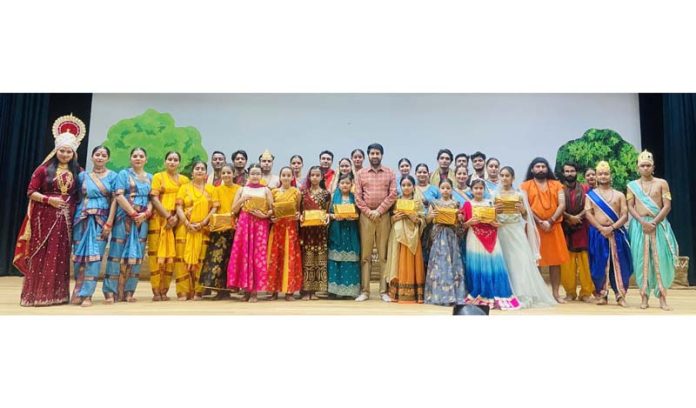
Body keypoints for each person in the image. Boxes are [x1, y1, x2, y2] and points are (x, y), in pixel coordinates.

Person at [14, 115, 84, 307]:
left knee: (60, 254)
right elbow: (30, 192)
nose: (65, 154)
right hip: (44, 216)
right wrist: (49, 200)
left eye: (69, 152)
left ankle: (57, 295)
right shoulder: (43, 170)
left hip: (67, 219)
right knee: (42, 252)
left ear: (73, 153)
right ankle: (36, 295)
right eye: (62, 151)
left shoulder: (78, 171)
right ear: (56, 150)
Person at [495, 167, 556, 308]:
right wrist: (494, 211)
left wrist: (522, 210)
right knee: (504, 261)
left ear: (513, 178)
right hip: (501, 231)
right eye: (502, 175)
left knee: (520, 261)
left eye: (507, 175)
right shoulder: (494, 194)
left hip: (516, 231)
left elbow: (526, 217)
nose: (504, 178)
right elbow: (491, 216)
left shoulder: (520, 194)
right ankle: (506, 291)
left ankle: (522, 292)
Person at [626, 150, 679, 310]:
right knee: (641, 261)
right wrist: (643, 222)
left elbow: (667, 206)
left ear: (653, 167)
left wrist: (654, 222)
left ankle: (662, 297)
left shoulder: (662, 183)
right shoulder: (631, 186)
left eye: (648, 165)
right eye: (642, 165)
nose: (645, 168)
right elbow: (630, 206)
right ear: (638, 168)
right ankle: (644, 297)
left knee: (660, 261)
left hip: (659, 225)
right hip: (639, 226)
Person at [462, 179, 520, 310]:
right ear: (471, 190)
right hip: (474, 237)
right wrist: (469, 222)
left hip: (492, 237)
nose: (478, 190)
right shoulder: (467, 205)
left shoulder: (490, 203)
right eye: (475, 188)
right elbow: (462, 226)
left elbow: (497, 221)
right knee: (477, 264)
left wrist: (495, 224)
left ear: (484, 190)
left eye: (480, 188)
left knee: (493, 265)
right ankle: (478, 291)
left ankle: (495, 292)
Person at [104, 147, 153, 303]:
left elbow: (152, 199)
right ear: (130, 158)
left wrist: (145, 215)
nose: (138, 158)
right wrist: (133, 213)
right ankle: (111, 292)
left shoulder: (151, 177)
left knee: (136, 256)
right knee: (116, 255)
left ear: (146, 159)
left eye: (141, 156)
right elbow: (118, 196)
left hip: (142, 221)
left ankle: (129, 292)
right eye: (135, 156)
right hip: (124, 218)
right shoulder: (123, 174)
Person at [71, 145, 118, 307]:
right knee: (78, 258)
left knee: (94, 258)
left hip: (101, 220)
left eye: (103, 155)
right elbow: (75, 197)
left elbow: (114, 201)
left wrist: (109, 223)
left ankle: (87, 295)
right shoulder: (82, 176)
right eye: (97, 154)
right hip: (81, 219)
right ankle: (78, 290)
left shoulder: (113, 176)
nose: (100, 157)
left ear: (108, 159)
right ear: (92, 157)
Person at [520, 157, 569, 303]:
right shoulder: (525, 186)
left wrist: (550, 221)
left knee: (555, 262)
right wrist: (539, 222)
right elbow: (526, 207)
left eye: (543, 166)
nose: (540, 169)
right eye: (537, 166)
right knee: (536, 261)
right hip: (534, 228)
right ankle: (540, 294)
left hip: (553, 228)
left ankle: (555, 294)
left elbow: (562, 205)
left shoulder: (556, 184)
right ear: (532, 169)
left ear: (547, 169)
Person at [584, 161, 633, 307]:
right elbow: (588, 213)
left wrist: (611, 228)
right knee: (598, 265)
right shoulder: (591, 196)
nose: (603, 176)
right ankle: (602, 294)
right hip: (598, 234)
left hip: (616, 233)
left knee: (620, 265)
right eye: (600, 174)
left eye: (606, 173)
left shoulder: (619, 195)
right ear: (597, 177)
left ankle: (620, 296)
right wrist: (601, 228)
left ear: (611, 176)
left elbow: (625, 215)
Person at [354, 143, 397, 302]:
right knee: (365, 256)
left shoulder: (390, 172)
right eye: (372, 153)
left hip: (383, 216)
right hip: (366, 217)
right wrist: (369, 212)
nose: (375, 156)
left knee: (383, 255)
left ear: (381, 155)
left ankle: (383, 291)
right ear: (368, 155)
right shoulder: (361, 174)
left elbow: (393, 194)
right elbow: (358, 197)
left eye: (377, 153)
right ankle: (365, 291)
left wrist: (379, 211)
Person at [227, 164, 274, 302]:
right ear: (248, 175)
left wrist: (264, 215)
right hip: (244, 224)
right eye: (252, 173)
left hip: (260, 225)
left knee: (257, 256)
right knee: (244, 254)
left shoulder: (266, 190)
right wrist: (242, 199)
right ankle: (245, 289)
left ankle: (255, 291)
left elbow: (273, 210)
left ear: (261, 175)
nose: (255, 176)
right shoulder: (242, 189)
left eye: (258, 173)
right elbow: (234, 210)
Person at [148, 151, 189, 301]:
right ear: (165, 162)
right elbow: (154, 198)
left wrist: (176, 218)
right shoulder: (158, 177)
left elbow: (184, 201)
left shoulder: (184, 180)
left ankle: (165, 290)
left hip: (177, 221)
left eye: (175, 159)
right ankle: (156, 291)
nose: (172, 162)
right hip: (159, 219)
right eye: (169, 159)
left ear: (179, 163)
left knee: (172, 256)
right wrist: (167, 216)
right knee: (156, 255)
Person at [176, 161, 216, 300]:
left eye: (202, 169)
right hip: (185, 229)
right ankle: (183, 291)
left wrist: (204, 222)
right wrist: (186, 222)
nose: (199, 171)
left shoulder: (211, 189)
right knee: (182, 261)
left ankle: (198, 291)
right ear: (192, 172)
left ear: (206, 173)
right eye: (197, 169)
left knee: (201, 259)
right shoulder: (184, 188)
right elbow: (179, 207)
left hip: (203, 229)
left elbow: (214, 208)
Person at [200, 163, 240, 299]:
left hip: (234, 228)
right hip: (219, 228)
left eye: (229, 173)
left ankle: (229, 289)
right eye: (224, 173)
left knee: (231, 259)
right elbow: (215, 208)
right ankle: (218, 290)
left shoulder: (240, 189)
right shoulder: (216, 190)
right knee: (217, 259)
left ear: (234, 174)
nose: (226, 175)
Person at [424, 179, 466, 306]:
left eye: (448, 188)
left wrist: (460, 218)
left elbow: (460, 223)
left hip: (451, 237)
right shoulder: (434, 203)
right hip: (438, 237)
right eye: (443, 188)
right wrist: (431, 215)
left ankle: (453, 295)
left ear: (451, 189)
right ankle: (437, 295)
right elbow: (427, 220)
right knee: (439, 264)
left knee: (452, 264)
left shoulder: (456, 204)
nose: (445, 190)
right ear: (439, 189)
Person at [385, 175, 426, 303]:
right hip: (397, 235)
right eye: (403, 185)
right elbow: (390, 219)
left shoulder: (418, 202)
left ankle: (414, 294)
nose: (406, 187)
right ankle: (396, 294)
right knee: (398, 260)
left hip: (413, 235)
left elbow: (423, 220)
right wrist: (394, 218)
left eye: (409, 185)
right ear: (400, 187)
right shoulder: (395, 201)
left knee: (411, 262)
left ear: (414, 187)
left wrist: (416, 219)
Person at [267, 167, 303, 301]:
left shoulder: (296, 192)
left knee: (290, 258)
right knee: (275, 258)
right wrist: (271, 219)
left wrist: (298, 216)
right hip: (277, 229)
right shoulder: (274, 192)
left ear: (292, 177)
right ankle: (273, 291)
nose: (286, 177)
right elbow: (270, 210)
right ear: (280, 177)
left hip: (290, 229)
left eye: (289, 175)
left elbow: (298, 210)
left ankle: (289, 292)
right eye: (284, 175)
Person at [559, 162, 594, 302]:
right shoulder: (559, 189)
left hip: (583, 228)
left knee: (585, 262)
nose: (569, 173)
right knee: (567, 264)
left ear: (576, 172)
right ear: (563, 173)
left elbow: (590, 205)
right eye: (566, 171)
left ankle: (586, 292)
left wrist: (578, 217)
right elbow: (557, 206)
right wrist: (569, 217)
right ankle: (570, 292)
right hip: (566, 229)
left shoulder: (585, 189)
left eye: (572, 171)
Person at [299, 166, 331, 300]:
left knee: (319, 259)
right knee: (307, 258)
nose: (315, 178)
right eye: (312, 175)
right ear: (309, 176)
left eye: (317, 175)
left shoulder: (326, 194)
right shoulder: (303, 193)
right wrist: (300, 216)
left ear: (322, 177)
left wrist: (328, 216)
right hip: (307, 231)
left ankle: (316, 290)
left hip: (320, 231)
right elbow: (299, 210)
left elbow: (327, 211)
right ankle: (306, 290)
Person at [327, 173, 361, 299]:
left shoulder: (355, 197)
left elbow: (359, 214)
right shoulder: (333, 197)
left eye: (347, 183)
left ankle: (349, 291)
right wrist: (335, 216)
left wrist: (353, 217)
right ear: (338, 185)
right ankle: (334, 290)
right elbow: (328, 214)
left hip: (350, 231)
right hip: (337, 231)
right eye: (342, 183)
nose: (345, 185)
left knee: (349, 260)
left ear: (351, 184)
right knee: (335, 259)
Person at [414, 163, 441, 274]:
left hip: (431, 225)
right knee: (417, 253)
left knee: (430, 252)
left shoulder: (435, 189)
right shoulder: (412, 188)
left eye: (424, 172)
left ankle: (430, 281)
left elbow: (441, 204)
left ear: (428, 174)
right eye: (419, 172)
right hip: (416, 224)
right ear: (415, 174)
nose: (422, 174)